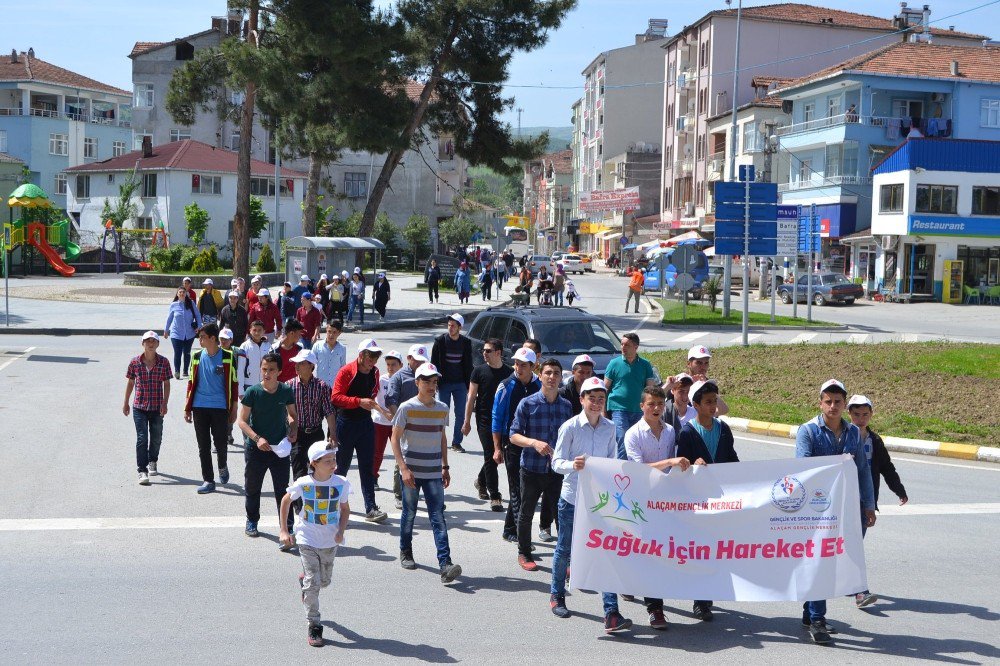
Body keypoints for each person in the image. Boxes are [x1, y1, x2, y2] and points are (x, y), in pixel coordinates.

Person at [794, 378, 876, 644]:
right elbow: (803, 469)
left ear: (844, 404)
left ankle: (810, 611)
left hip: (848, 509)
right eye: (827, 401)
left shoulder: (853, 432)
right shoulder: (808, 431)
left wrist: (868, 504)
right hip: (817, 511)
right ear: (820, 403)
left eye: (837, 402)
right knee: (822, 561)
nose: (832, 406)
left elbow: (862, 470)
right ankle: (817, 619)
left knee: (836, 560)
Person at [549, 376, 633, 634]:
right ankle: (556, 594)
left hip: (599, 501)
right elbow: (556, 462)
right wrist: (572, 465)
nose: (596, 403)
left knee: (605, 551)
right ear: (581, 400)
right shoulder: (570, 427)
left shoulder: (610, 428)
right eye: (591, 399)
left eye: (600, 399)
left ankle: (611, 612)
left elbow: (610, 462)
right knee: (565, 547)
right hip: (573, 498)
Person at [624, 386, 692, 630]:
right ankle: (655, 609)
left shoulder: (671, 431)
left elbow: (677, 465)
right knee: (645, 551)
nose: (656, 409)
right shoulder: (633, 434)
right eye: (651, 404)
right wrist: (669, 461)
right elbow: (639, 469)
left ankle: (638, 587)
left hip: (665, 501)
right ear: (642, 406)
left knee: (658, 551)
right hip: (641, 500)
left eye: (660, 404)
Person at [391, 362, 463, 584]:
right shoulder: (406, 407)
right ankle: (406, 551)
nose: (431, 385)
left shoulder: (442, 408)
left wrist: (445, 466)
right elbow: (394, 438)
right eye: (426, 381)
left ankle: (445, 564)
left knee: (438, 517)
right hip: (411, 472)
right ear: (417, 383)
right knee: (409, 513)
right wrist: (403, 468)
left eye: (434, 382)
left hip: (433, 472)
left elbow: (441, 436)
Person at [675, 379, 739, 622]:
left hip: (721, 500)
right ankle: (700, 601)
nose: (713, 406)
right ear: (696, 404)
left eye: (715, 401)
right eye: (708, 402)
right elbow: (682, 465)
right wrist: (693, 465)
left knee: (716, 550)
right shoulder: (688, 432)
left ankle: (709, 595)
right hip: (698, 502)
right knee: (700, 552)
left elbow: (732, 458)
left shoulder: (723, 429)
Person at [278, 442, 349, 648]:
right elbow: (285, 501)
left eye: (334, 459)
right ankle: (314, 624)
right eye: (328, 461)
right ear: (314, 463)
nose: (333, 464)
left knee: (324, 581)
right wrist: (284, 530)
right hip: (306, 538)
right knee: (314, 583)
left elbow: (345, 509)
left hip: (329, 540)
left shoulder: (340, 483)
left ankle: (306, 582)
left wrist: (341, 531)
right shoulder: (303, 483)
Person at [848, 394, 908, 609]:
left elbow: (886, 468)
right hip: (842, 499)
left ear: (871, 415)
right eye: (856, 414)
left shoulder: (875, 441)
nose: (861, 418)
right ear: (849, 415)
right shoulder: (844, 437)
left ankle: (853, 586)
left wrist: (899, 490)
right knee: (851, 546)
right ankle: (858, 591)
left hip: (865, 500)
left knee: (855, 544)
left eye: (865, 414)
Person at [510, 358, 571, 571]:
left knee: (560, 514)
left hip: (556, 470)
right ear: (540, 375)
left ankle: (565, 557)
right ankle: (524, 552)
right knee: (526, 513)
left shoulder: (566, 406)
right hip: (532, 468)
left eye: (556, 373)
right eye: (548, 373)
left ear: (561, 377)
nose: (552, 377)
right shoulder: (528, 403)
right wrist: (533, 443)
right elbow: (513, 435)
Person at [238, 352, 297, 542]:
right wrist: (257, 439)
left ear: (279, 371)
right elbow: (241, 421)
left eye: (271, 370)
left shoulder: (286, 391)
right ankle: (252, 520)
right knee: (253, 487)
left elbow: (292, 415)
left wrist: (293, 428)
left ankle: (287, 526)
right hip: (256, 449)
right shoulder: (252, 392)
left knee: (283, 490)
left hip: (279, 449)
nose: (267, 373)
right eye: (264, 369)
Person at [331, 338, 391, 523]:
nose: (373, 360)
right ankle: (333, 508)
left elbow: (373, 394)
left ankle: (371, 508)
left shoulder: (375, 372)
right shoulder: (346, 371)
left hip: (365, 424)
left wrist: (378, 408)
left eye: (375, 356)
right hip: (345, 424)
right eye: (370, 356)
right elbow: (335, 397)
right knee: (341, 468)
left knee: (367, 467)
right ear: (361, 355)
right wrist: (358, 401)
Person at [492, 347, 542, 544]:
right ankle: (521, 535)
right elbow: (497, 418)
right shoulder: (506, 386)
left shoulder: (539, 384)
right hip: (511, 443)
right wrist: (497, 447)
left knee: (526, 490)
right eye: (516, 363)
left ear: (533, 366)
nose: (518, 368)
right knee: (516, 489)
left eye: (523, 365)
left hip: (533, 444)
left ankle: (509, 528)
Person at [184, 323, 240, 494]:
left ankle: (222, 465)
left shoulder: (228, 357)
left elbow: (234, 383)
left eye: (202, 337)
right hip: (199, 406)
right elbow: (191, 382)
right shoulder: (196, 356)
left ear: (213, 338)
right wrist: (187, 407)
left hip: (220, 407)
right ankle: (208, 480)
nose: (199, 340)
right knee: (203, 446)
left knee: (221, 444)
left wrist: (234, 408)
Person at [462, 337, 512, 511]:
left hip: (503, 421)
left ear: (498, 353)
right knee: (491, 454)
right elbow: (471, 398)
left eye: (488, 351)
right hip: (484, 420)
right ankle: (495, 495)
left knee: (496, 456)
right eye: (483, 350)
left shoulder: (509, 373)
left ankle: (481, 481)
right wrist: (466, 421)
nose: (484, 353)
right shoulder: (478, 371)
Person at [288, 349, 337, 501]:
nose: (297, 366)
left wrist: (333, 435)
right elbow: (286, 411)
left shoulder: (322, 387)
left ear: (311, 366)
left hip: (316, 433)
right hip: (297, 433)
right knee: (298, 470)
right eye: (296, 363)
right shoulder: (289, 386)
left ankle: (317, 502)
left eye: (301, 363)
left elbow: (329, 412)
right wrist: (291, 429)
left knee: (318, 470)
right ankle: (299, 505)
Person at [123, 331, 172, 485]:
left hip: (157, 407)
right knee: (142, 438)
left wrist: (165, 403)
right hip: (139, 406)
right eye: (147, 341)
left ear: (158, 344)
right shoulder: (135, 362)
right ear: (142, 343)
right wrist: (125, 402)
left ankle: (153, 460)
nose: (150, 344)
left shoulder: (163, 362)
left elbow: (167, 383)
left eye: (154, 341)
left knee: (156, 437)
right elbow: (131, 382)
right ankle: (142, 470)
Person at [385, 343, 430, 509]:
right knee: (401, 459)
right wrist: (401, 420)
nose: (419, 364)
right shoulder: (399, 376)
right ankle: (399, 494)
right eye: (416, 360)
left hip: (423, 423)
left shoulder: (427, 375)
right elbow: (391, 400)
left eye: (422, 361)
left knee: (423, 459)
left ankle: (422, 492)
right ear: (409, 358)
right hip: (403, 424)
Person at [604, 332, 657, 459]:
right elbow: (604, 389)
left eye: (627, 345)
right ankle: (622, 471)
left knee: (639, 440)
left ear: (636, 347)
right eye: (622, 344)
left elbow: (650, 390)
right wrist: (603, 411)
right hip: (619, 408)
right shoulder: (614, 363)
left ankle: (635, 469)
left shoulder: (645, 365)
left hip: (639, 410)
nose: (623, 347)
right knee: (622, 439)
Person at [431, 314, 474, 452]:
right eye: (449, 325)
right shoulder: (440, 341)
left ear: (460, 328)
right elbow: (434, 364)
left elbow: (468, 364)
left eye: (453, 326)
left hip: (460, 384)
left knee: (460, 413)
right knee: (442, 413)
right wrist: (434, 382)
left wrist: (469, 384)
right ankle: (438, 441)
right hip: (444, 383)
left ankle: (456, 442)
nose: (450, 328)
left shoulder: (466, 343)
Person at [663, 346, 729, 416]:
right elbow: (656, 400)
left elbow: (721, 410)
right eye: (699, 363)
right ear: (689, 364)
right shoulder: (679, 382)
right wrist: (667, 386)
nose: (703, 367)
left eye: (706, 363)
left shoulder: (709, 385)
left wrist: (705, 386)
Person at [373, 350, 402, 488]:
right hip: (380, 421)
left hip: (398, 422)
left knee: (401, 452)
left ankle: (402, 481)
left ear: (401, 365)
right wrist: (384, 412)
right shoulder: (381, 379)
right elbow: (373, 400)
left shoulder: (404, 379)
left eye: (394, 364)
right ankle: (373, 477)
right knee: (377, 452)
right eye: (388, 364)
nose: (390, 367)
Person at [164, 287, 202, 378]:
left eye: (183, 292)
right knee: (177, 353)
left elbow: (197, 315)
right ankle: (177, 371)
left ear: (186, 294)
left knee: (187, 352)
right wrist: (166, 330)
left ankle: (185, 370)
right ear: (177, 294)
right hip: (176, 334)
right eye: (180, 292)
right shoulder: (173, 305)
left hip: (189, 334)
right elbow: (169, 318)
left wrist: (199, 326)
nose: (181, 294)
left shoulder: (191, 303)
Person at [219, 327, 247, 448]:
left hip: (232, 385)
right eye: (221, 339)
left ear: (231, 340)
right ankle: (221, 436)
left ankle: (228, 432)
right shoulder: (215, 351)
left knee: (231, 411)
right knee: (220, 412)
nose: (223, 342)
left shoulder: (237, 351)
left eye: (226, 339)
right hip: (219, 385)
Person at [239, 320, 270, 396]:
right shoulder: (244, 346)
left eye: (259, 330)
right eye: (254, 330)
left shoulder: (268, 345)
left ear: (263, 331)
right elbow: (240, 369)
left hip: (265, 383)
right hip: (249, 383)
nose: (257, 333)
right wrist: (240, 389)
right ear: (250, 331)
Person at [313, 320, 347, 388]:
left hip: (335, 386)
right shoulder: (317, 346)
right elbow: (310, 365)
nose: (331, 335)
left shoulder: (342, 348)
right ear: (326, 330)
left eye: (334, 332)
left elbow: (343, 368)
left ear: (339, 333)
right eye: (329, 331)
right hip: (320, 386)